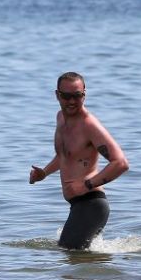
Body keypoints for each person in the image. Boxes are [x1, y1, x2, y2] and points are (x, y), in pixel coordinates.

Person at [29, 72, 129, 250]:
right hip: (79, 206)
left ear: (85, 94)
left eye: (77, 96)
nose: (72, 101)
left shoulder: (89, 125)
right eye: (66, 96)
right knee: (77, 265)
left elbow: (120, 163)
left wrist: (86, 185)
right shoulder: (61, 118)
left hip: (91, 204)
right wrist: (44, 173)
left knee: (68, 255)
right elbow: (64, 156)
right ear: (57, 95)